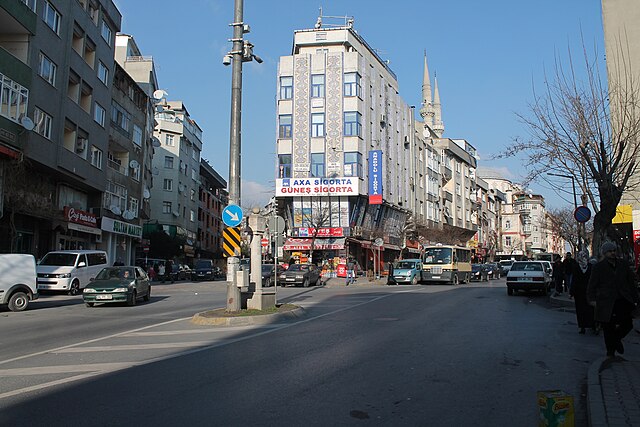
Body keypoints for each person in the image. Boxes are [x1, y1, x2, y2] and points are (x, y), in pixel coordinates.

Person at [587, 241, 640, 358]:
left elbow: (631, 283)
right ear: (605, 253)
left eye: (614, 251)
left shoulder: (623, 264)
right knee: (608, 326)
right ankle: (610, 351)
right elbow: (592, 285)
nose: (612, 253)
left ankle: (616, 339)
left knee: (627, 324)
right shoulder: (599, 267)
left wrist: (635, 298)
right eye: (610, 251)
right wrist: (592, 299)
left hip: (622, 299)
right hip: (606, 301)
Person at [570, 249, 595, 334]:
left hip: (580, 292)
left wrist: (571, 292)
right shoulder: (590, 267)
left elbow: (574, 280)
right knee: (590, 309)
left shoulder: (577, 267)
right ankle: (591, 325)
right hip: (587, 292)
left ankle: (583, 326)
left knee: (581, 310)